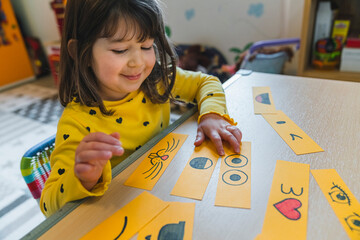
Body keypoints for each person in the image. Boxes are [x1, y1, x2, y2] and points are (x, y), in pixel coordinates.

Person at [40, 0, 242, 217]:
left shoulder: (156, 79)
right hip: (125, 213)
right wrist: (81, 179)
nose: (138, 62)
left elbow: (206, 82)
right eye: (120, 50)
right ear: (82, 52)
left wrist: (212, 115)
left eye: (146, 46)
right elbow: (48, 206)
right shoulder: (76, 122)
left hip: (169, 192)